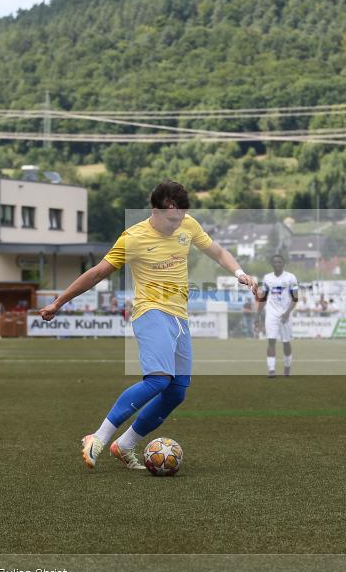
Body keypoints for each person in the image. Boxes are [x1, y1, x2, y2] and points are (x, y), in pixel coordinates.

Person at [38, 181, 257, 470]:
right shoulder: (133, 237)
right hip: (150, 311)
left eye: (179, 218)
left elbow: (217, 252)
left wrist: (239, 273)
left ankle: (125, 444)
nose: (175, 224)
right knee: (157, 379)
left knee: (177, 391)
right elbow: (97, 273)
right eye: (170, 219)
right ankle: (99, 437)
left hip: (180, 317)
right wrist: (58, 302)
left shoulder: (187, 224)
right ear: (155, 210)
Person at [256, 254, 298, 377]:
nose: (277, 264)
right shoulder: (267, 278)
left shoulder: (290, 278)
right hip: (271, 314)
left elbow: (295, 298)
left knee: (286, 342)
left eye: (280, 262)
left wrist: (287, 312)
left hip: (286, 314)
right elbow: (263, 298)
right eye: (275, 262)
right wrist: (258, 314)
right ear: (272, 264)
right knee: (271, 341)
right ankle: (271, 370)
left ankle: (287, 366)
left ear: (283, 264)